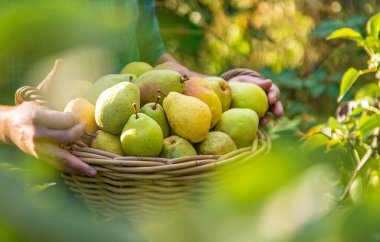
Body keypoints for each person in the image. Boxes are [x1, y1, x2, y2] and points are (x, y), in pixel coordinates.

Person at [0, 0, 283, 177]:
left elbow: (152, 54)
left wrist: (222, 90)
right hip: (25, 183)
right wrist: (11, 125)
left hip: (128, 178)